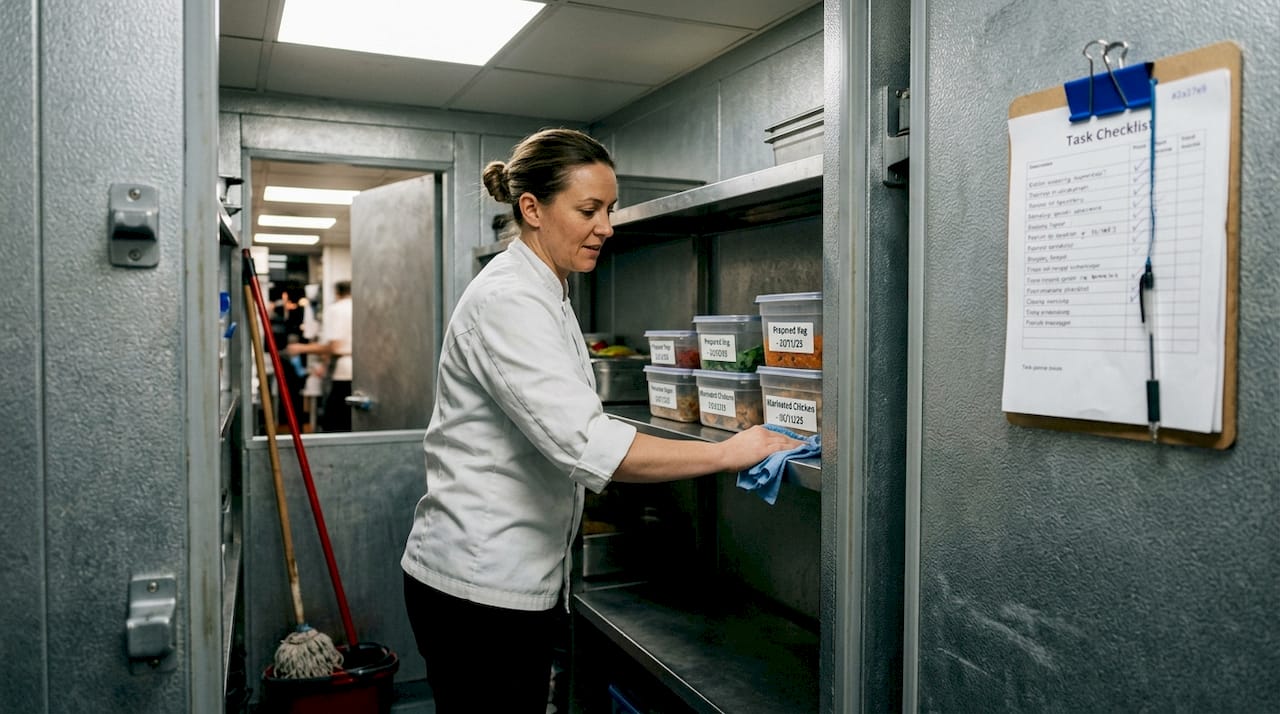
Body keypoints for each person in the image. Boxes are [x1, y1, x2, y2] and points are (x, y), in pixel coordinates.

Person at [399, 128, 800, 713]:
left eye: (609, 209)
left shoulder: (548, 290)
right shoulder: (507, 299)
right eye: (589, 209)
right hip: (479, 589)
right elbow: (589, 444)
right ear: (532, 209)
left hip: (518, 580)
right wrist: (727, 452)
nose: (607, 226)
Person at [286, 279, 352, 431]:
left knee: (335, 425)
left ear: (336, 293)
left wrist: (301, 348)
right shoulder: (358, 308)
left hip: (342, 373)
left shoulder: (337, 310)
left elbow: (334, 346)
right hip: (357, 372)